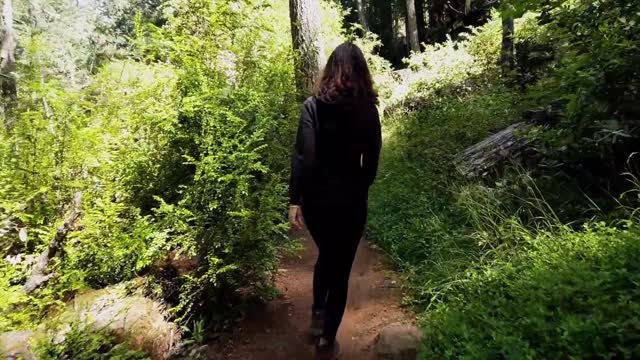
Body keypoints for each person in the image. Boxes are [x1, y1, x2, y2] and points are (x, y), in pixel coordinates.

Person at [288, 42, 382, 359]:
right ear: (361, 72)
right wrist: (358, 188)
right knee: (340, 267)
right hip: (351, 203)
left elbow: (304, 157)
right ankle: (327, 340)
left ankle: (317, 311)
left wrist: (295, 200)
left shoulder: (312, 107)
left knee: (327, 254)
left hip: (316, 202)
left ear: (329, 70)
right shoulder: (368, 109)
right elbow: (371, 163)